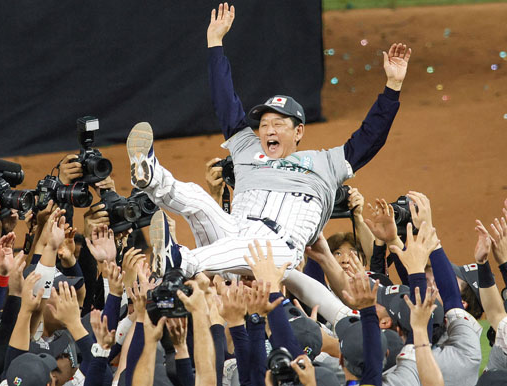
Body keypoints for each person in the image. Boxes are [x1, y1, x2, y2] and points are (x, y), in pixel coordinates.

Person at [125, 2, 411, 279]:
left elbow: (369, 137)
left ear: (298, 132)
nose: (268, 130)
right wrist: (215, 44)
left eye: (277, 123)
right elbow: (226, 102)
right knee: (199, 200)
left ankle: (180, 260)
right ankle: (151, 177)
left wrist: (392, 87)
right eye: (263, 125)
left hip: (279, 248)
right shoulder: (247, 148)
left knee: (251, 247)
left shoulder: (326, 163)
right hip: (235, 232)